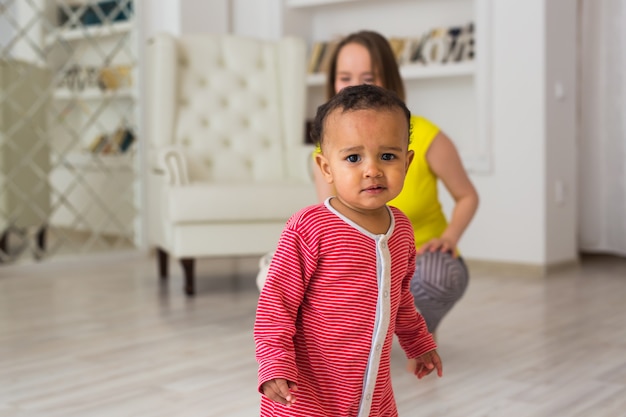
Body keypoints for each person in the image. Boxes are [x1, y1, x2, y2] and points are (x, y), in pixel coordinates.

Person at [254, 84, 442, 416]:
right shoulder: (309, 228)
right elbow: (276, 303)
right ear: (326, 168)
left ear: (407, 161)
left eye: (388, 156)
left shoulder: (401, 230)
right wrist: (274, 364)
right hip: (307, 394)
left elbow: (399, 297)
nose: (372, 169)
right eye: (353, 158)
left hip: (372, 391)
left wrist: (418, 343)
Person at [313, 30, 479, 336]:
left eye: (368, 76)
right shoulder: (328, 149)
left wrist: (450, 238)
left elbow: (467, 195)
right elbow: (328, 221)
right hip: (358, 266)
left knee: (438, 273)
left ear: (389, 78)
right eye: (345, 77)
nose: (357, 86)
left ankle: (414, 332)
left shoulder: (428, 135)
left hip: (418, 266)